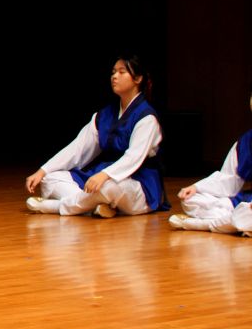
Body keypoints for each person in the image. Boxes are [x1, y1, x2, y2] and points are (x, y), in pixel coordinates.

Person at [25, 55, 170, 217]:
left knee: (108, 187)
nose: (114, 76)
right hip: (105, 175)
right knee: (50, 178)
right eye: (113, 72)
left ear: (138, 78)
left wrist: (105, 175)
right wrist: (43, 171)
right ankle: (95, 206)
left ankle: (58, 206)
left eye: (121, 72)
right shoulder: (105, 115)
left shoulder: (146, 117)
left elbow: (133, 157)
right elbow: (78, 149)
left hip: (139, 184)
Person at [169, 92, 252, 234]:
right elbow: (228, 180)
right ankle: (235, 222)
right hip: (246, 204)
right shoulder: (246, 142)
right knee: (191, 200)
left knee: (246, 215)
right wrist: (197, 187)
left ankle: (196, 224)